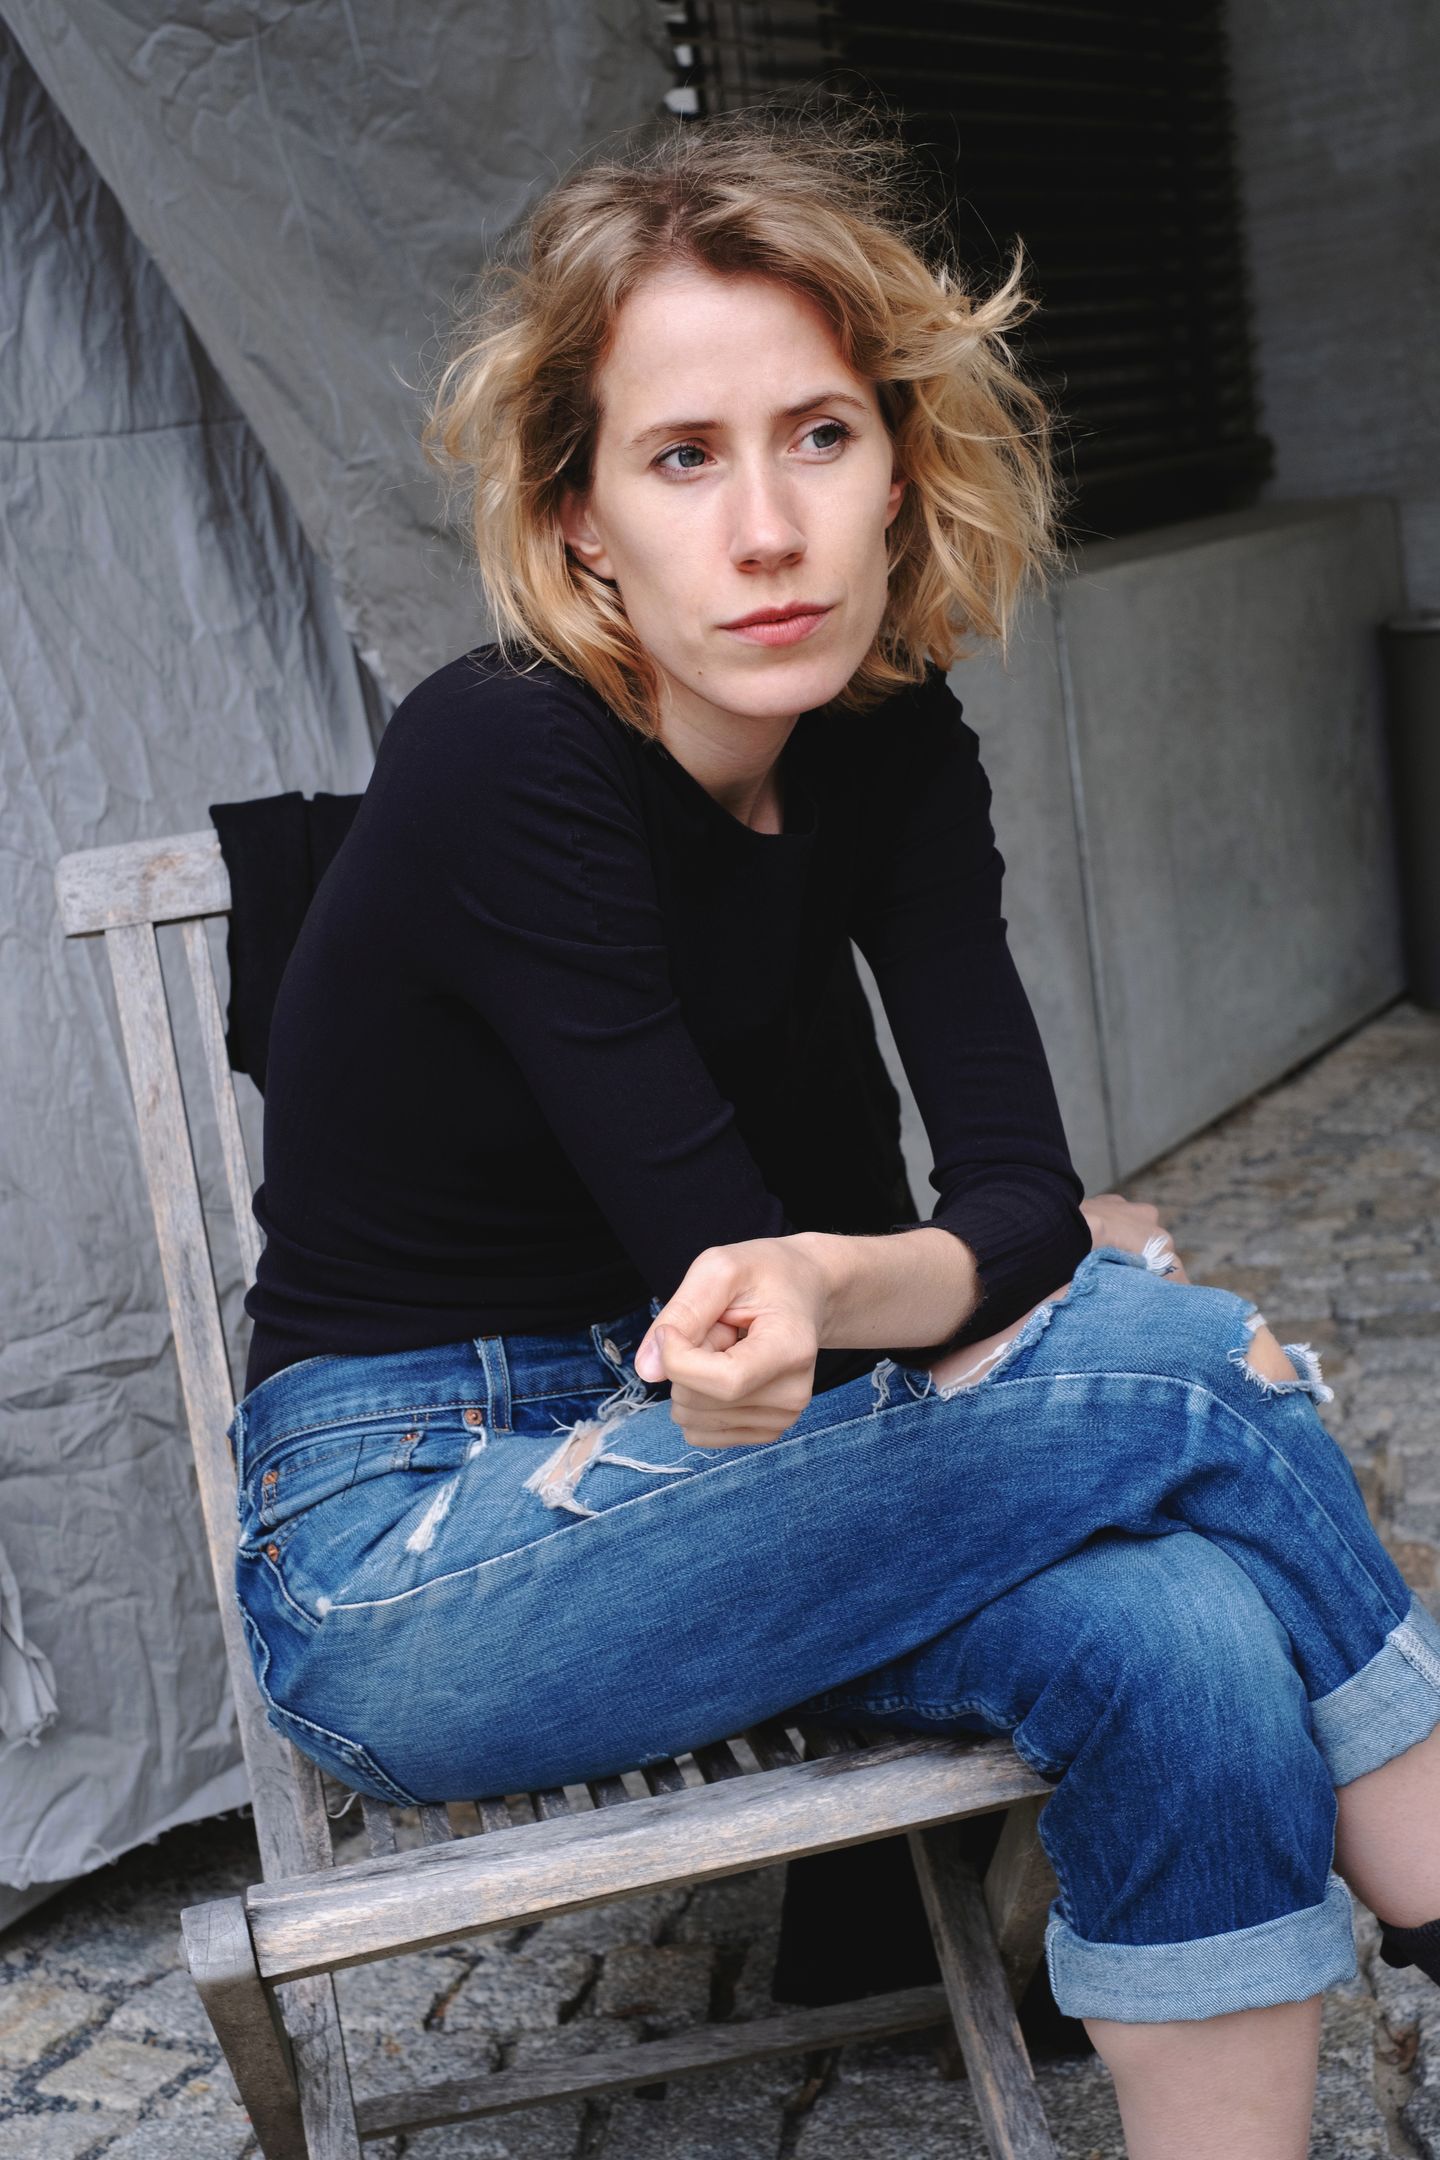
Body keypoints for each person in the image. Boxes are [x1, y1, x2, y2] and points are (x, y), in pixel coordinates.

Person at [227, 105, 1440, 2159]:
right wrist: (939, 1284)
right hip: (415, 1560)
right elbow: (754, 1274)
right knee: (1194, 1375)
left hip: (741, 1472)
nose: (769, 529)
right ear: (581, 517)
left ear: (901, 461)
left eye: (816, 435)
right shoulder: (504, 756)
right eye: (683, 458)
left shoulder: (889, 741)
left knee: (1190, 1628)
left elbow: (1003, 1204)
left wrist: (876, 1275)